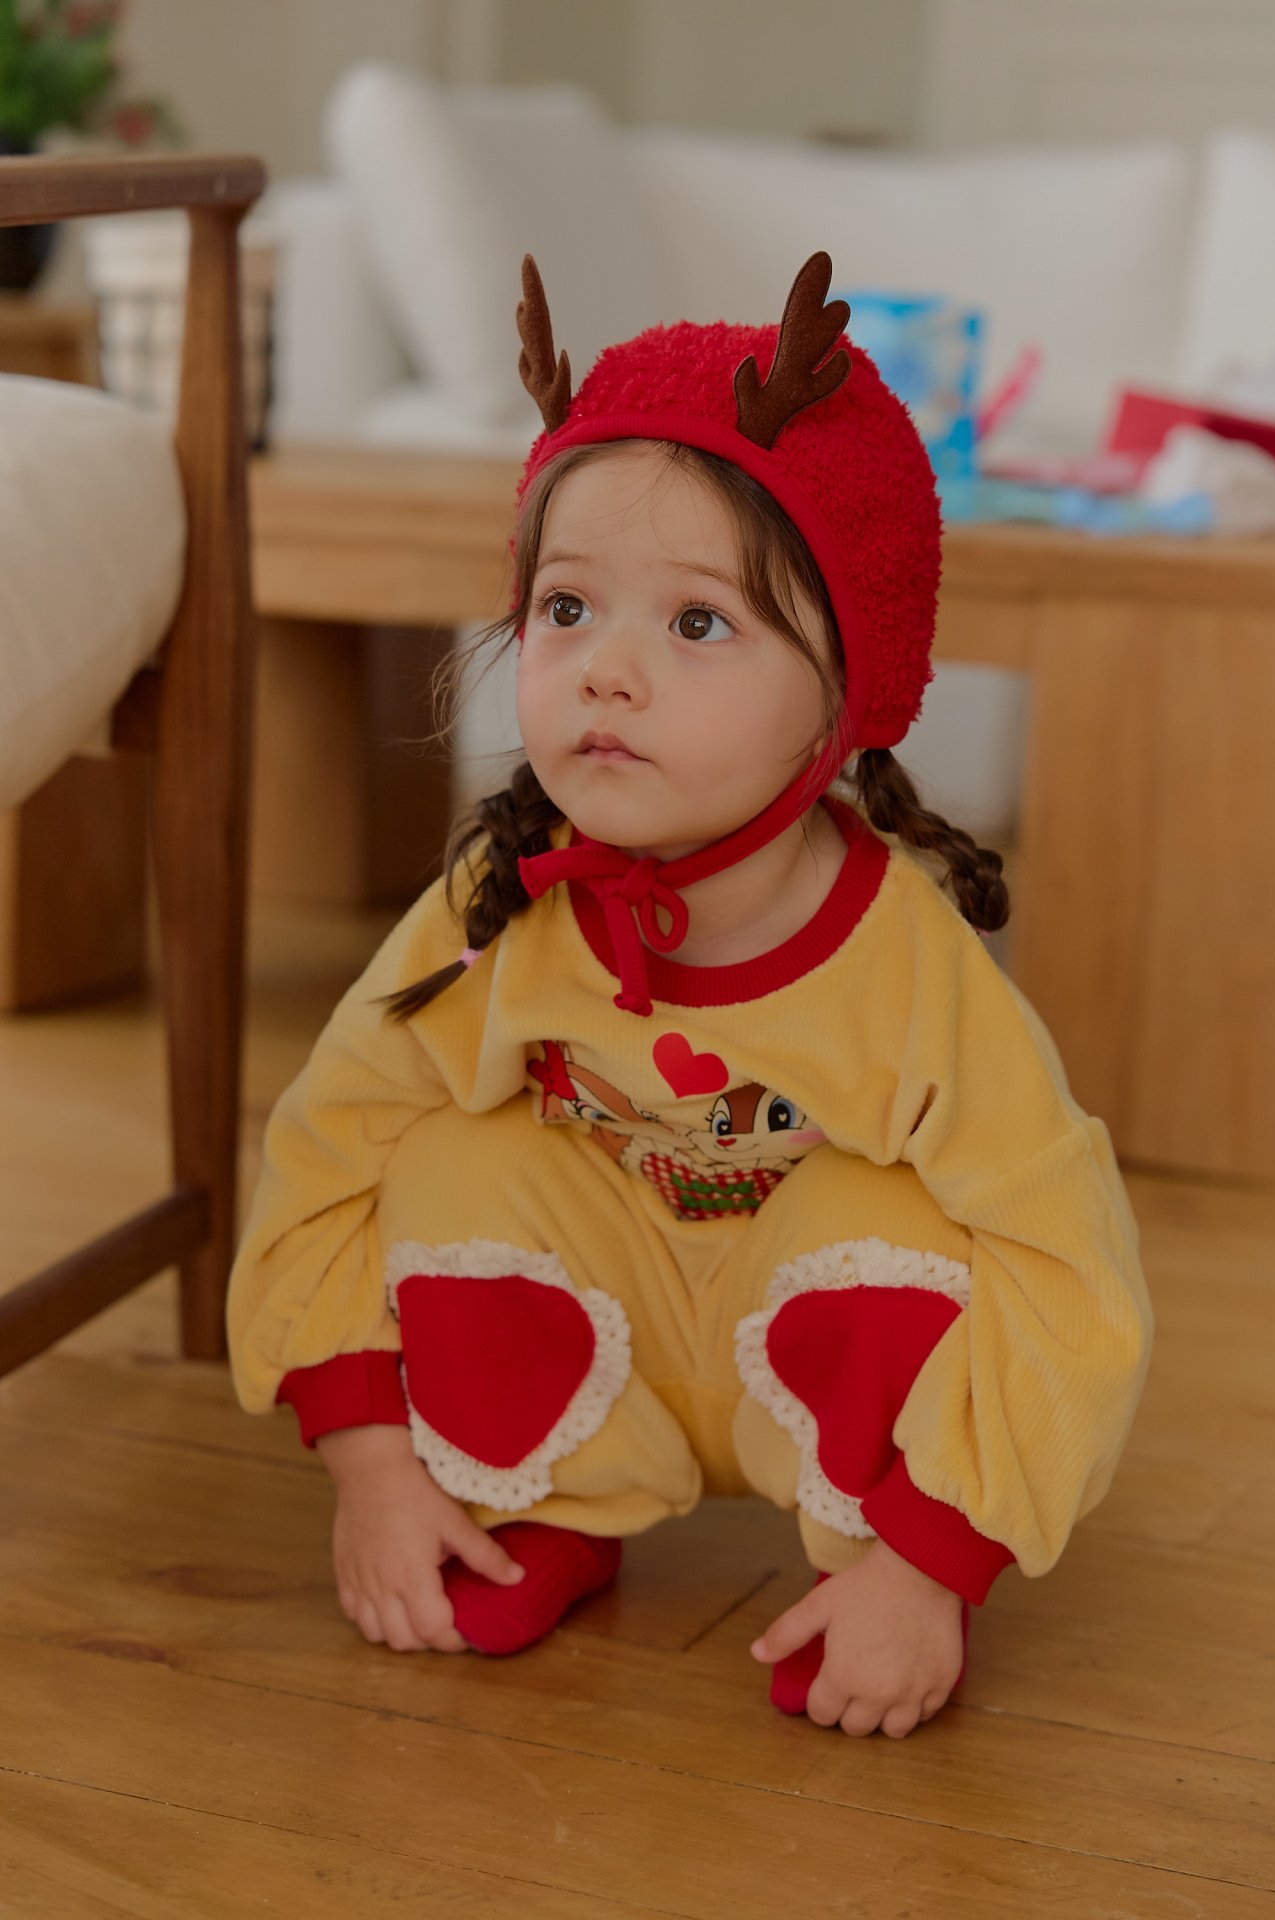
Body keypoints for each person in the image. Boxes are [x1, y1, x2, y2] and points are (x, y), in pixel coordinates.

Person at [227, 253, 1152, 1740]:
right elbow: (323, 1148)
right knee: (441, 1150)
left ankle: (876, 1567)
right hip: (604, 1308)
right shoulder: (499, 905)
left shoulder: (902, 959)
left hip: (804, 1325)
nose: (605, 673)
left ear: (846, 689)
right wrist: (372, 1464)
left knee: (922, 1222)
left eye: (699, 624)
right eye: (566, 606)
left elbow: (1070, 1267)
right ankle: (536, 1496)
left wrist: (937, 1562)